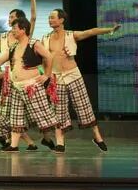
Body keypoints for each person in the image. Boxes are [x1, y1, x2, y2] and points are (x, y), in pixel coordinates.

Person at [0, 17, 64, 153]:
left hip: (31, 86)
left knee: (46, 115)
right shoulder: (13, 47)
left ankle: (60, 143)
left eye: (14, 28)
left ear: (23, 30)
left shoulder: (34, 43)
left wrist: (46, 75)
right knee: (16, 117)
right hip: (16, 86)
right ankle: (14, 145)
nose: (12, 31)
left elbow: (49, 57)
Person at [41, 9, 121, 151]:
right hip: (56, 77)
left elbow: (91, 31)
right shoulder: (45, 38)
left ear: (61, 20)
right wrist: (46, 74)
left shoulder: (71, 35)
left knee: (84, 106)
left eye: (52, 17)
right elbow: (43, 59)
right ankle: (60, 142)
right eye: (49, 17)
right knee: (58, 110)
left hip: (73, 75)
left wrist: (110, 30)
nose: (50, 20)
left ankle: (97, 137)